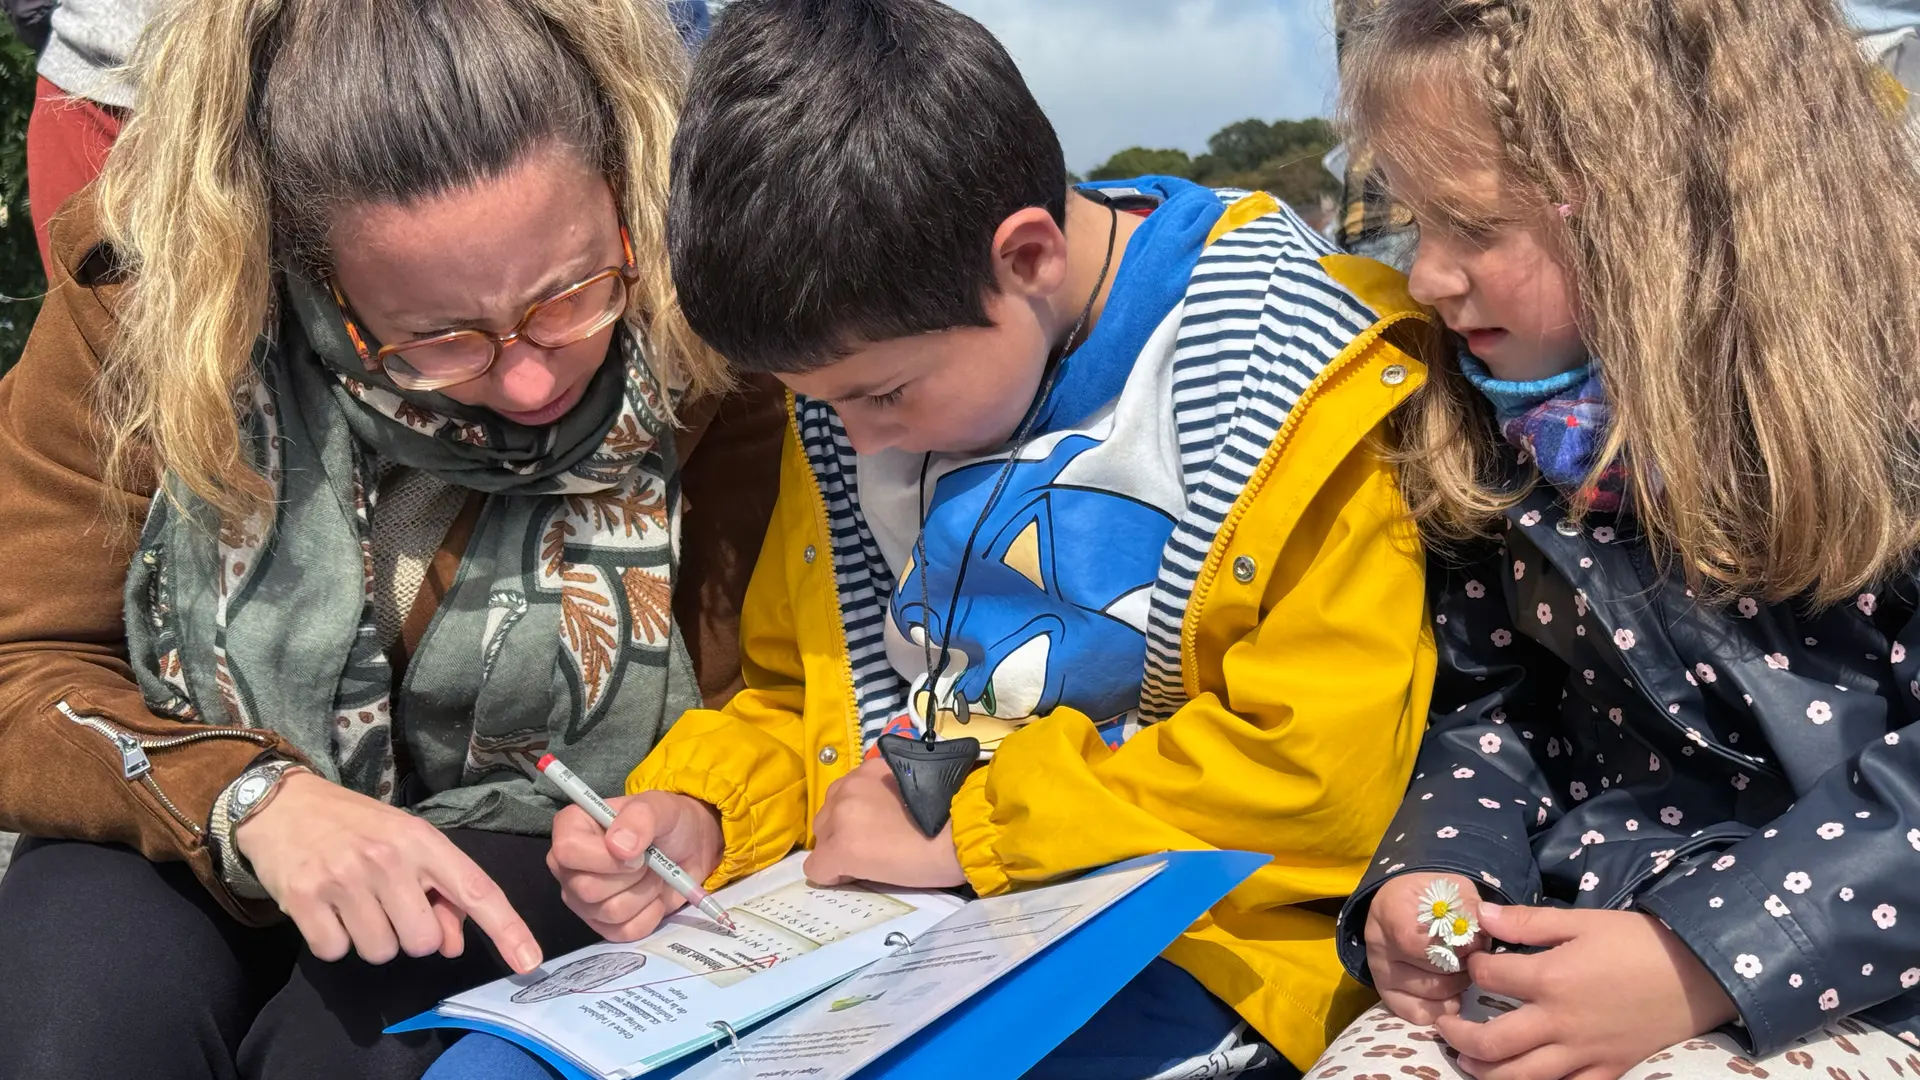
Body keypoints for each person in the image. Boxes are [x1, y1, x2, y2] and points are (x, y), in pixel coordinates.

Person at [438, 1, 1441, 1077]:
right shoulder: (853, 365)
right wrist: (702, 811)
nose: (855, 434)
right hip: (871, 929)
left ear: (1026, 257)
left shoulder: (1294, 372)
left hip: (1181, 944)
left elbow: (1320, 773)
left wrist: (975, 836)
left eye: (885, 397)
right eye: (814, 400)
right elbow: (800, 692)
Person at [0, 0, 785, 1077]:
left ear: (620, 190)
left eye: (572, 295)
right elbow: (21, 667)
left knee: (353, 1056)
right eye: (439, 338)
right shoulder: (142, 310)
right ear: (298, 261)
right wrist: (248, 798)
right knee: (75, 1030)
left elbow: (766, 678)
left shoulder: (708, 320)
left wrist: (695, 806)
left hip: (530, 834)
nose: (527, 377)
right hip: (190, 814)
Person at [1311, 1, 1920, 1079]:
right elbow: (1497, 707)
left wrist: (1711, 956)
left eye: (1473, 227)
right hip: (1591, 921)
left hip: (1870, 966)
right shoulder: (1493, 426)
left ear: (1672, 210)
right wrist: (1437, 869)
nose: (1425, 278)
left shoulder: (1893, 403)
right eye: (1415, 224)